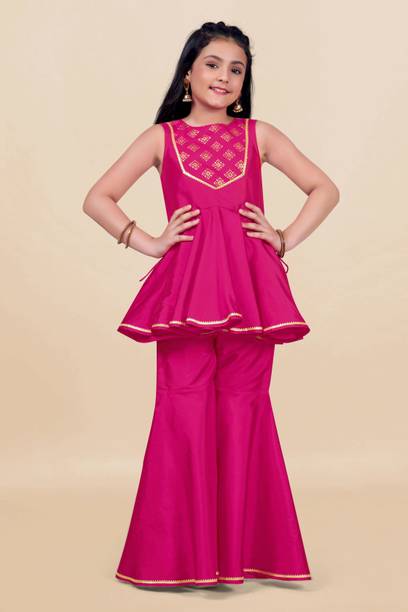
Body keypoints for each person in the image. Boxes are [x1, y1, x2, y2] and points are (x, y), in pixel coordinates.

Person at [82, 21, 340, 589]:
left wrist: (284, 238)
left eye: (236, 69)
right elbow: (97, 198)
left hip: (252, 295)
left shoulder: (259, 135)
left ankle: (241, 556)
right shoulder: (161, 139)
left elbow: (325, 189)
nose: (224, 77)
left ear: (244, 83)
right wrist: (148, 241)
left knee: (244, 409)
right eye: (213, 64)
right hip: (183, 294)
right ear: (189, 74)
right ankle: (178, 559)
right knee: (182, 411)